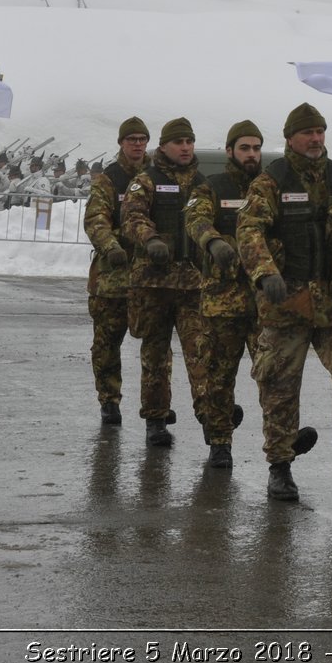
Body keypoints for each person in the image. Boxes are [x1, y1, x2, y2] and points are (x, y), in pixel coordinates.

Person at [237, 102, 332, 502]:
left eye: (320, 131)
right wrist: (264, 272)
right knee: (278, 383)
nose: (316, 139)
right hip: (287, 302)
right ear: (290, 137)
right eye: (307, 132)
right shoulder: (270, 181)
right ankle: (279, 466)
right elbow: (248, 229)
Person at [184, 119, 280, 469]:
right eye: (244, 148)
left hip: (263, 301)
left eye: (256, 148)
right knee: (219, 376)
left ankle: (281, 444)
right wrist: (212, 240)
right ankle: (220, 442)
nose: (251, 154)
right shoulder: (212, 186)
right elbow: (195, 219)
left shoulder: (270, 187)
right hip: (222, 300)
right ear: (230, 151)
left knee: (271, 374)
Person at [122, 117, 210, 450]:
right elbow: (132, 217)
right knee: (156, 356)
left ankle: (210, 418)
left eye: (189, 141)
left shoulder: (204, 184)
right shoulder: (146, 181)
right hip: (154, 285)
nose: (186, 148)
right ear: (164, 147)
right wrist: (149, 239)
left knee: (200, 353)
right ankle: (156, 419)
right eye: (179, 142)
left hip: (192, 285)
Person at [81, 117, 149, 426]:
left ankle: (156, 407)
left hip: (150, 273)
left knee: (157, 344)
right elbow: (95, 219)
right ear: (121, 143)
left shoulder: (155, 175)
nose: (137, 144)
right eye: (131, 139)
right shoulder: (109, 179)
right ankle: (109, 399)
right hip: (113, 275)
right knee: (107, 342)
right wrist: (111, 247)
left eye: (142, 138)